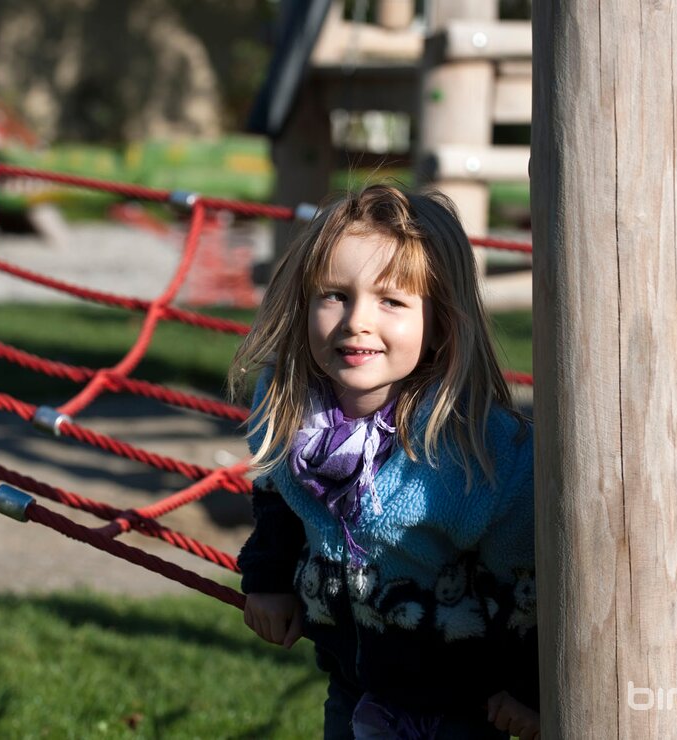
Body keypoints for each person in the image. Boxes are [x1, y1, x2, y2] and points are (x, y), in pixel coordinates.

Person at [229, 185, 539, 739]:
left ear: (440, 321)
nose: (356, 321)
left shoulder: (477, 451)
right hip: (352, 684)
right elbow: (278, 493)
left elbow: (526, 574)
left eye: (391, 301)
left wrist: (528, 685)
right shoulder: (289, 403)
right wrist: (269, 579)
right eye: (334, 295)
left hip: (460, 701)